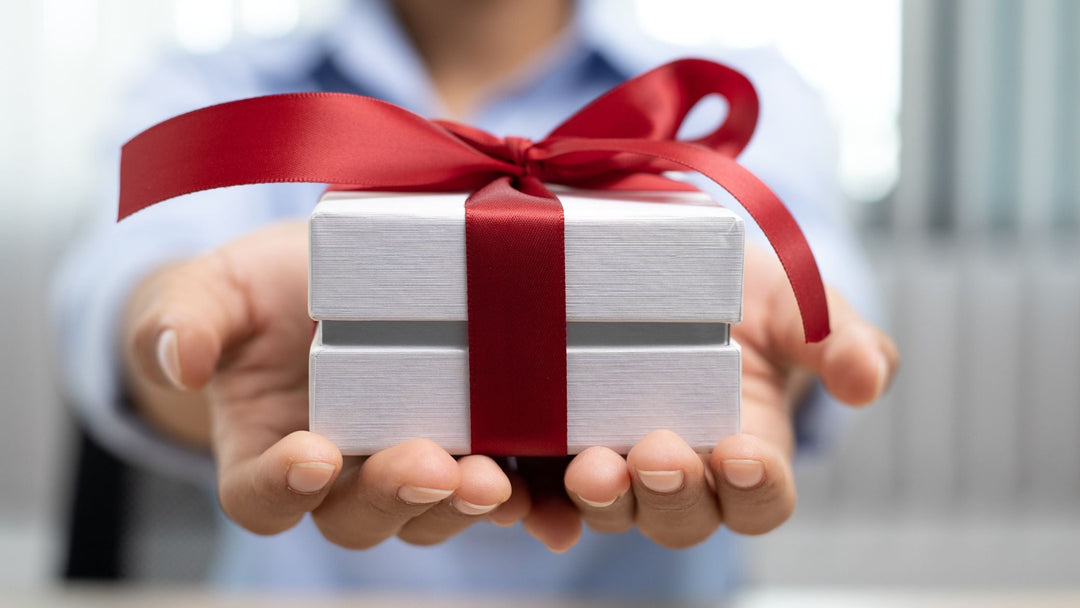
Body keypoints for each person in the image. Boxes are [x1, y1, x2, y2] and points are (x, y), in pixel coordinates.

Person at [53, 0, 898, 599]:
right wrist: (183, 333)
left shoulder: (724, 93)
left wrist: (772, 358)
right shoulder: (217, 81)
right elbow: (127, 285)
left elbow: (809, 290)